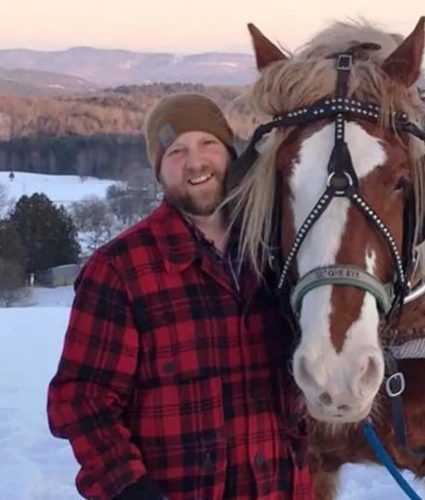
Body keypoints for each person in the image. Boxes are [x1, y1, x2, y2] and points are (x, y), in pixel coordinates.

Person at [47, 93, 312, 500]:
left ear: (229, 154)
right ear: (159, 171)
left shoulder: (275, 253)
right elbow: (82, 400)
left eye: (208, 143)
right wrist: (132, 490)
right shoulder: (120, 270)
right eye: (176, 151)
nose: (195, 162)